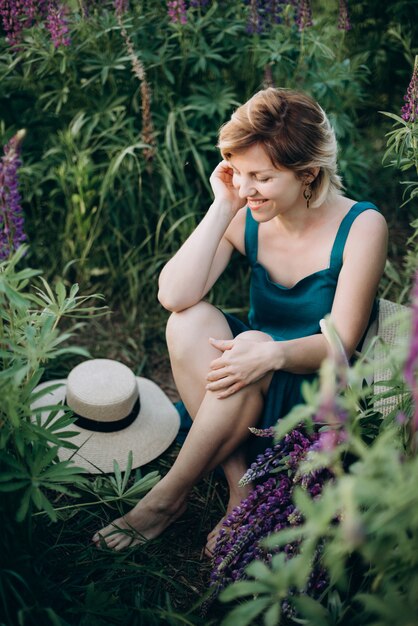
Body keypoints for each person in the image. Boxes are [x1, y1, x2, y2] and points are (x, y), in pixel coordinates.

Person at [93, 87, 387, 554]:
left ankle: (168, 498)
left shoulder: (362, 227)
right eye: (239, 172)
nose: (246, 187)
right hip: (248, 370)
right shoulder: (245, 210)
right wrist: (222, 206)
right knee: (187, 323)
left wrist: (271, 354)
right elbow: (173, 295)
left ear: (307, 174)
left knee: (248, 346)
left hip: (312, 386)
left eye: (262, 177)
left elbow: (341, 345)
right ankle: (241, 491)